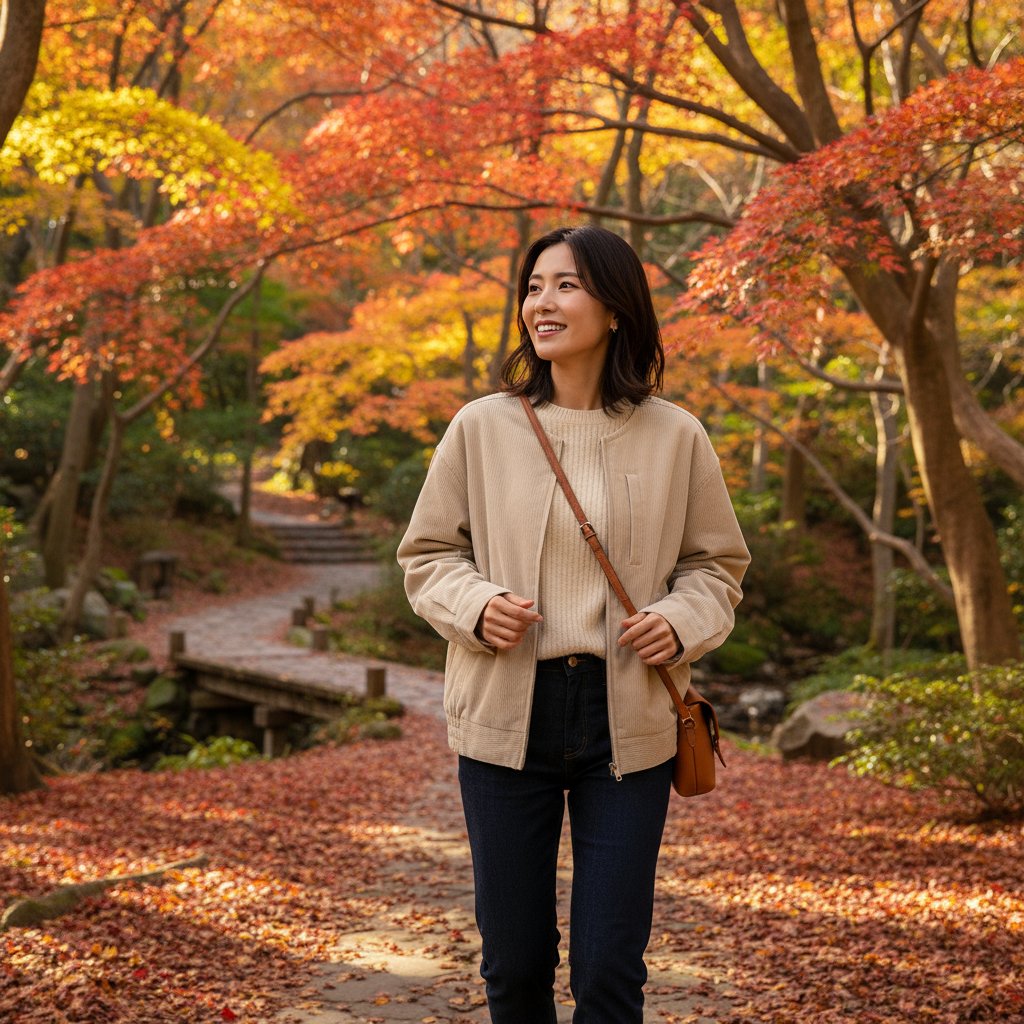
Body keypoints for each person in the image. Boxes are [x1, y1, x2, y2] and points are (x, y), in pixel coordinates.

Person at [397, 224, 749, 1023]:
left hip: (627, 722)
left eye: (565, 285)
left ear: (616, 307)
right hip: (504, 717)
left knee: (610, 969)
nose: (540, 303)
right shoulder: (482, 427)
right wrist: (477, 605)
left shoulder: (676, 434)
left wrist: (678, 619)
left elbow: (717, 568)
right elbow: (425, 556)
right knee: (514, 965)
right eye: (532, 286)